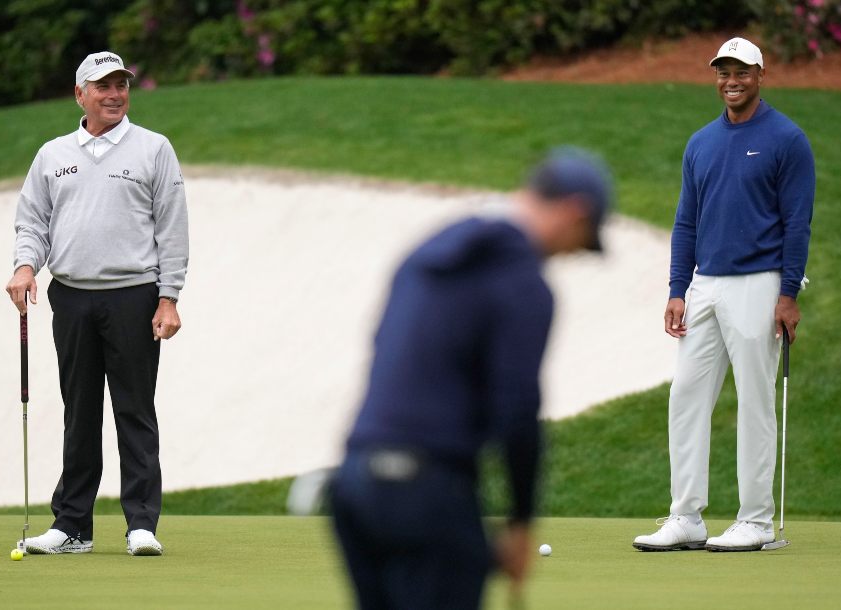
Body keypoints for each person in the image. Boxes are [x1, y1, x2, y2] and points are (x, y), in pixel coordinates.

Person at [331, 148, 613, 609]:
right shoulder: (524, 283)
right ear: (573, 212)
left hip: (357, 484)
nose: (567, 255)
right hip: (429, 494)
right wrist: (522, 521)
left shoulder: (432, 249)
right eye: (579, 242)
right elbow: (518, 410)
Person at [632, 37, 814, 552]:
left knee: (755, 403)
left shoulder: (786, 139)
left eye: (741, 72)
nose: (731, 81)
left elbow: (797, 223)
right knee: (685, 397)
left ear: (761, 76)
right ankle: (686, 516)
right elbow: (686, 220)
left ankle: (755, 519)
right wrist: (676, 288)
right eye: (723, 72)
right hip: (705, 285)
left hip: (760, 282)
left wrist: (788, 293)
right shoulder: (701, 143)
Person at [4, 51, 189, 556]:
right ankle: (72, 527)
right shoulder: (52, 154)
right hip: (72, 297)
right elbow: (33, 223)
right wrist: (25, 266)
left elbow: (172, 230)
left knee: (134, 411)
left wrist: (168, 298)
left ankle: (141, 525)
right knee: (79, 412)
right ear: (79, 94)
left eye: (121, 85)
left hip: (134, 296)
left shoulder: (153, 149)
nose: (114, 94)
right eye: (102, 86)